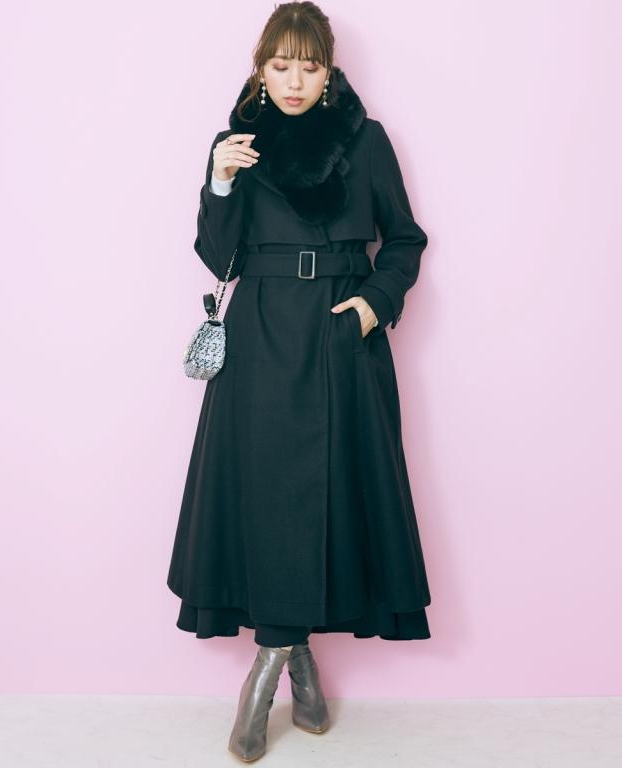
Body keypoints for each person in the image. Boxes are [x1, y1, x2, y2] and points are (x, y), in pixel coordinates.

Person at [167, 1, 432, 761]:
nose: (293, 81)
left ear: (329, 70)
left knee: (335, 495)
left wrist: (373, 307)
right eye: (280, 65)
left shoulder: (365, 138)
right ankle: (292, 661)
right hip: (260, 335)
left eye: (308, 67)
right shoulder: (238, 143)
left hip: (342, 333)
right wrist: (219, 182)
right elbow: (219, 257)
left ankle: (269, 667)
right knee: (267, 499)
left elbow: (404, 240)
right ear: (260, 69)